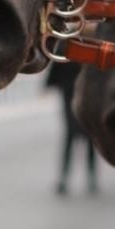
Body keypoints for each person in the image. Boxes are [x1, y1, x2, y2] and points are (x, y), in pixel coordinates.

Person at [44, 59, 97, 196]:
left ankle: (90, 177)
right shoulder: (69, 48)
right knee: (72, 138)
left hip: (86, 100)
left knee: (86, 140)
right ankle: (66, 178)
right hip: (72, 97)